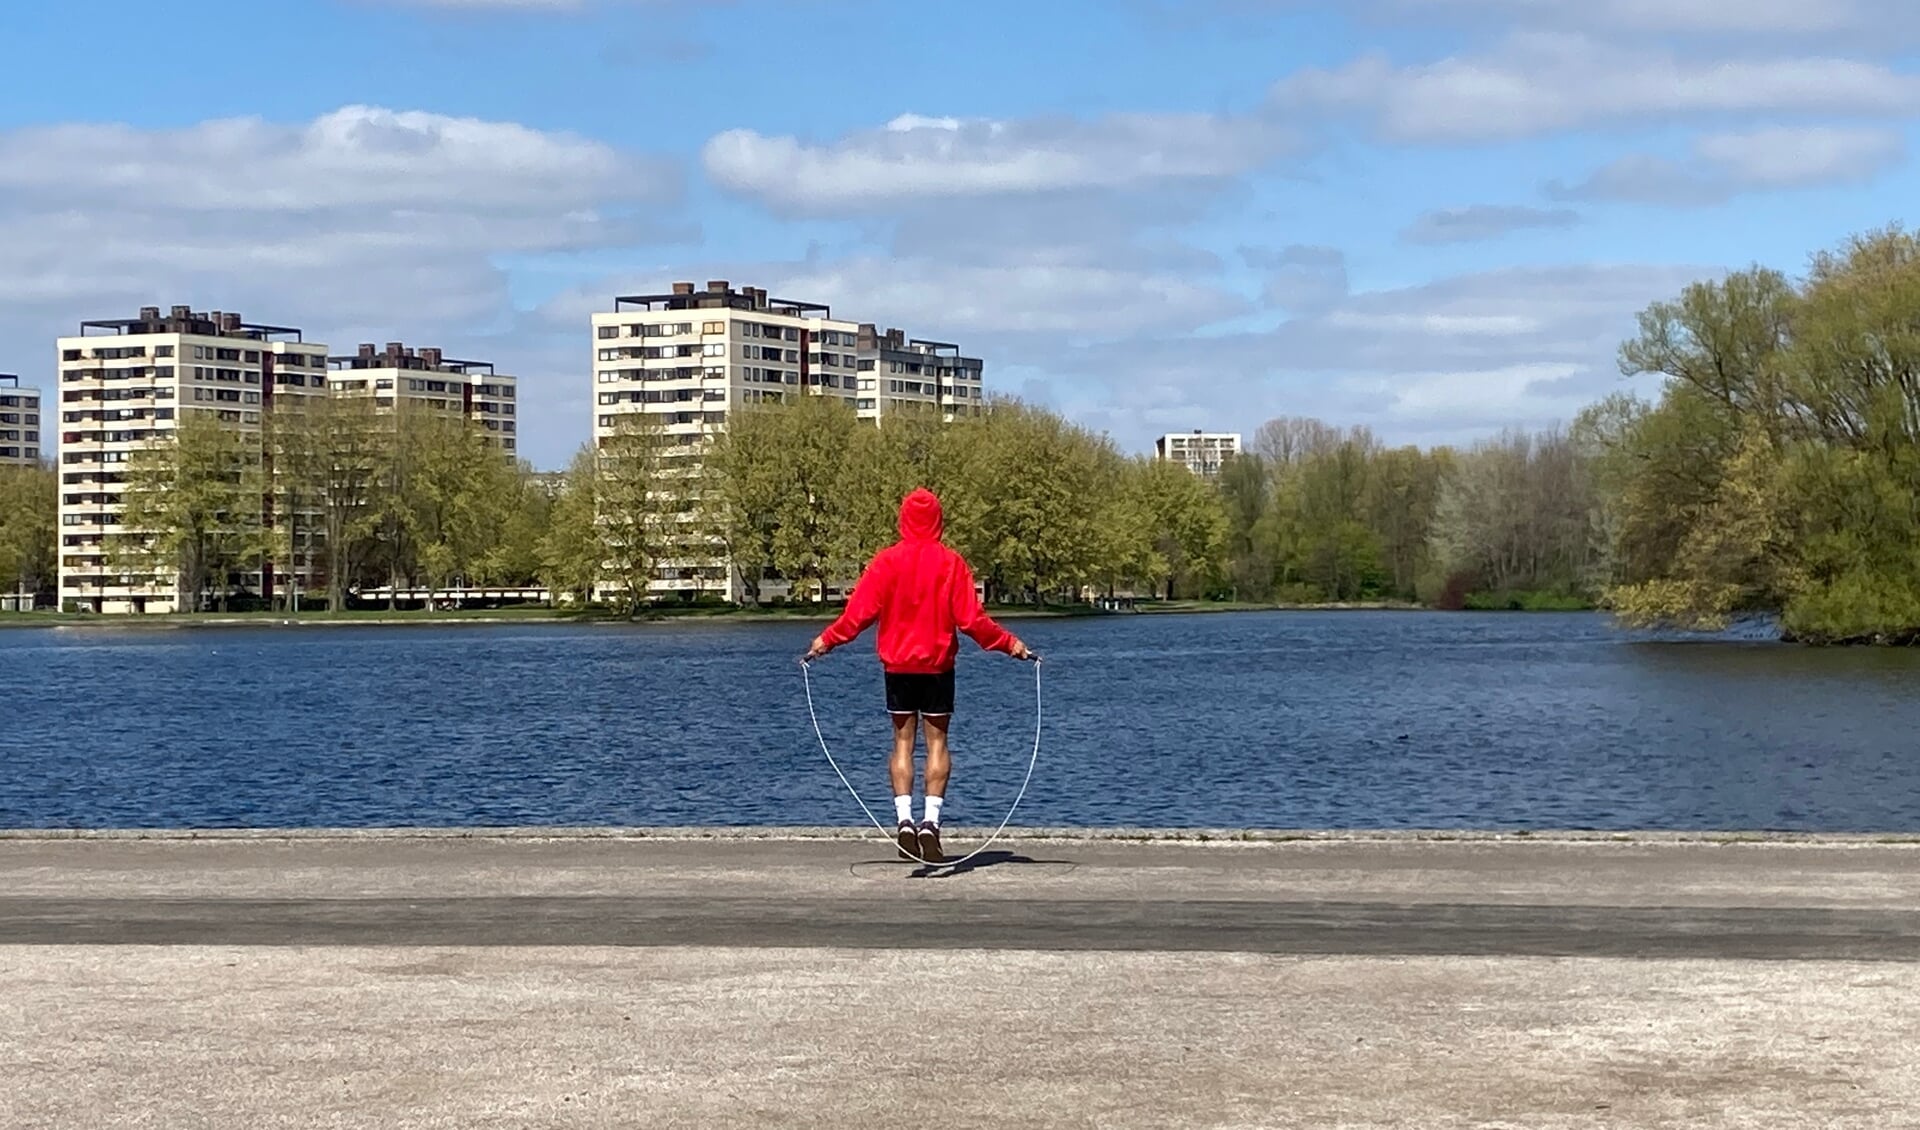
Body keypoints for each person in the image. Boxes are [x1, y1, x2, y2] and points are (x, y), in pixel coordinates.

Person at [805, 487, 1032, 863]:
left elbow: (858, 614)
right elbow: (972, 620)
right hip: (938, 666)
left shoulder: (886, 562)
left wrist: (826, 641)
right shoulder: (952, 563)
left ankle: (904, 820)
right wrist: (1010, 644)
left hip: (898, 667)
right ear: (938, 521)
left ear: (904, 520)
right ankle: (931, 823)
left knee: (902, 744)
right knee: (938, 745)